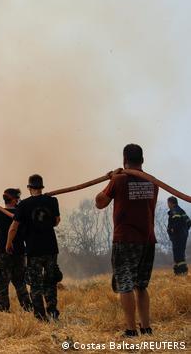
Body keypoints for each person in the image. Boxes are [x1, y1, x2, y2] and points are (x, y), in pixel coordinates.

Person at [95, 144, 158, 337]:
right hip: (147, 240)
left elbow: (100, 202)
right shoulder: (153, 182)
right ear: (142, 160)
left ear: (124, 160)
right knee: (141, 285)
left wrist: (110, 180)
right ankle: (146, 328)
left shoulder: (119, 180)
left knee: (126, 284)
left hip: (125, 240)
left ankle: (131, 330)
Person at [6, 174, 61, 322]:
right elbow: (57, 221)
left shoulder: (23, 205)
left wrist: (8, 243)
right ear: (41, 187)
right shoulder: (52, 201)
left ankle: (40, 316)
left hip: (33, 250)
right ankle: (53, 312)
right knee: (50, 281)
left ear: (29, 188)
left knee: (35, 284)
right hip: (51, 248)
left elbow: (14, 227)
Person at [0, 188, 32, 312]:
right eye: (18, 198)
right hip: (20, 255)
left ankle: (3, 313)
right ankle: (29, 310)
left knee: (1, 287)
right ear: (15, 199)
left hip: (3, 255)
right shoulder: (22, 213)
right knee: (21, 285)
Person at [167, 196, 190, 276]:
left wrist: (173, 230)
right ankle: (178, 272)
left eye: (168, 203)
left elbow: (176, 222)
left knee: (178, 254)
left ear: (170, 203)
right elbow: (188, 222)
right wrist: (185, 231)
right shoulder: (181, 211)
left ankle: (182, 272)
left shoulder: (174, 211)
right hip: (183, 235)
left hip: (177, 236)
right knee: (180, 253)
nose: (168, 205)